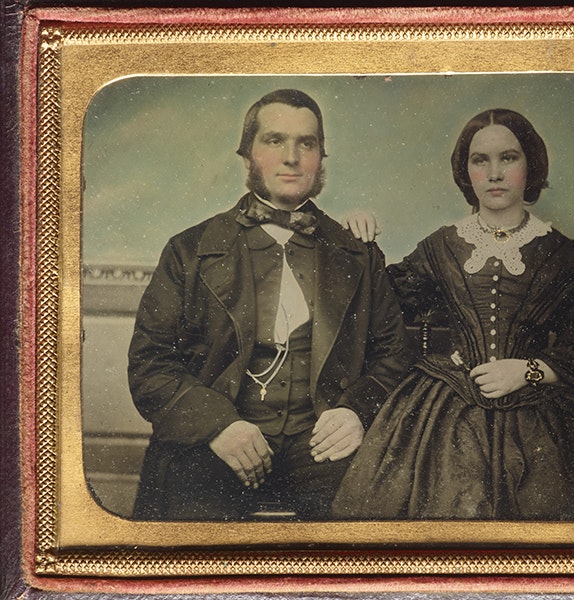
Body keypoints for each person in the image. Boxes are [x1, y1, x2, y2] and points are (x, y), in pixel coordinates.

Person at [332, 108, 574, 520]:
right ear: (466, 171)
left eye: (508, 158)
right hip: (445, 413)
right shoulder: (442, 247)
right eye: (481, 160)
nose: (494, 173)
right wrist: (358, 242)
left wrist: (529, 370)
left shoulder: (558, 253)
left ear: (530, 165)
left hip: (540, 417)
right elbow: (379, 308)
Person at [128, 89, 411, 521]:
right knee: (194, 536)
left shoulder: (356, 252)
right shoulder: (189, 249)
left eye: (306, 143)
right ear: (248, 155)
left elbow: (394, 355)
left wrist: (356, 411)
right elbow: (150, 364)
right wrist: (218, 426)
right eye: (275, 140)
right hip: (220, 439)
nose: (291, 158)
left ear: (320, 158)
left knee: (361, 530)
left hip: (322, 441)